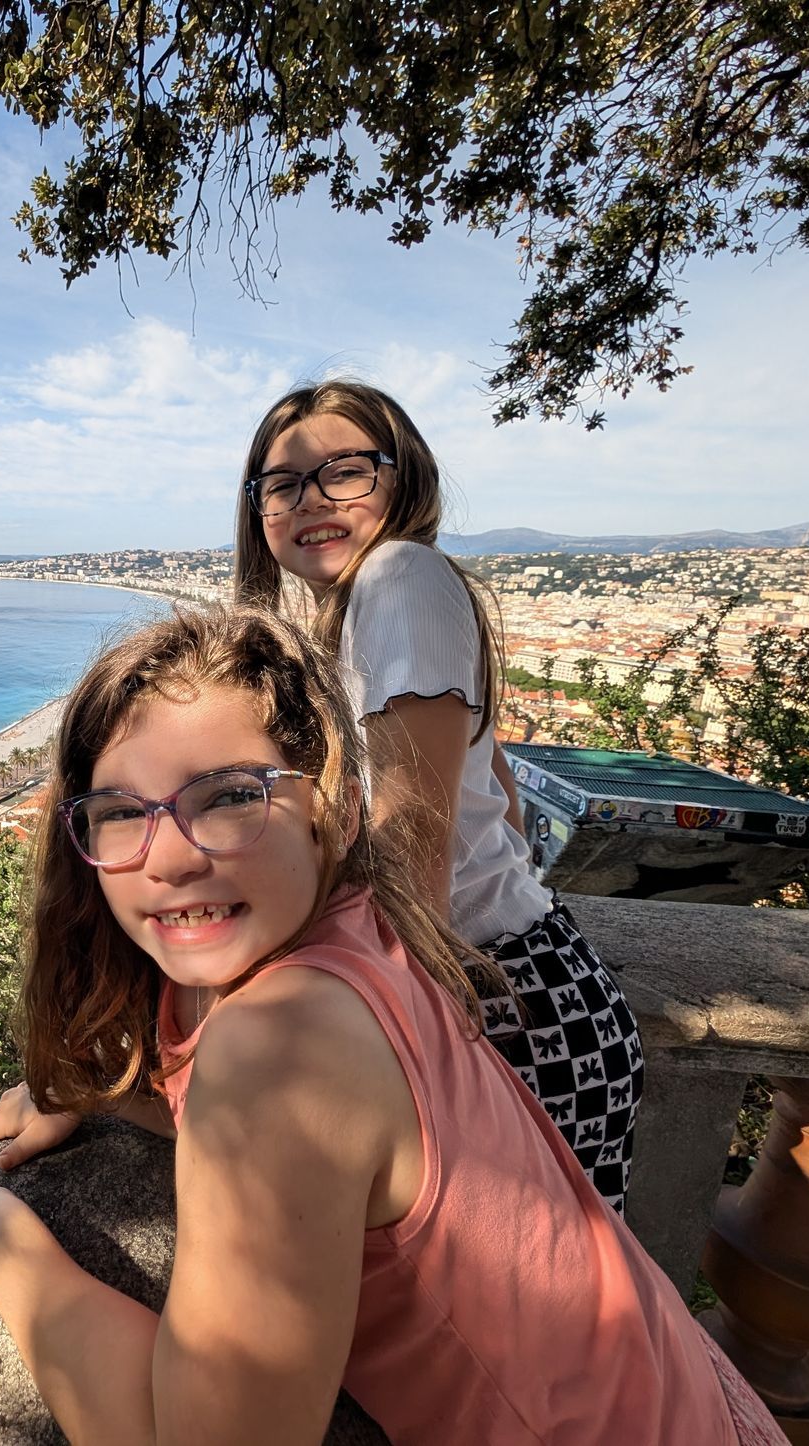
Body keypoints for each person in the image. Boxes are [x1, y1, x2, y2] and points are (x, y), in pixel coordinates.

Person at [0, 607, 779, 1446]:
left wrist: (6, 1249)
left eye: (230, 796)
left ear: (333, 810)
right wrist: (108, 1095)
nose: (167, 857)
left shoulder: (281, 1051)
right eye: (123, 814)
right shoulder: (358, 927)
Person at [232, 379, 642, 1210]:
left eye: (344, 471)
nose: (312, 499)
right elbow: (504, 799)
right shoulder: (346, 615)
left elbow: (408, 848)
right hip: (529, 986)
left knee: (532, 1320)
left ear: (403, 475)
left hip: (500, 1004)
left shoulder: (399, 580)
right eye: (283, 484)